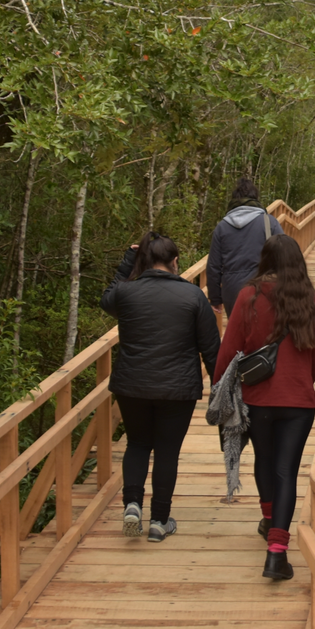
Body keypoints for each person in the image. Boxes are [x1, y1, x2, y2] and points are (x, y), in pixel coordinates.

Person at [213, 234, 315, 580]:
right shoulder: (312, 300)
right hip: (299, 401)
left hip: (257, 398)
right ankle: (277, 552)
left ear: (264, 260)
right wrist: (302, 382)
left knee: (264, 459)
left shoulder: (248, 297)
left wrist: (219, 388)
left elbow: (230, 349)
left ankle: (267, 518)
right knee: (286, 471)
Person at [100, 232, 220, 542]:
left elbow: (107, 298)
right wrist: (221, 390)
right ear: (175, 262)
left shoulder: (127, 293)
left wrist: (128, 262)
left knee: (138, 444)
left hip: (131, 385)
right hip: (177, 389)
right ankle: (159, 521)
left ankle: (132, 505)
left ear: (144, 261)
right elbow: (211, 348)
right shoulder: (194, 297)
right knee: (168, 451)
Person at [207, 178, 283, 316]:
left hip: (232, 290)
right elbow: (284, 255)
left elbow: (214, 266)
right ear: (256, 199)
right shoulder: (268, 222)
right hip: (263, 286)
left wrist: (215, 297)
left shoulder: (222, 227)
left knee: (238, 332)